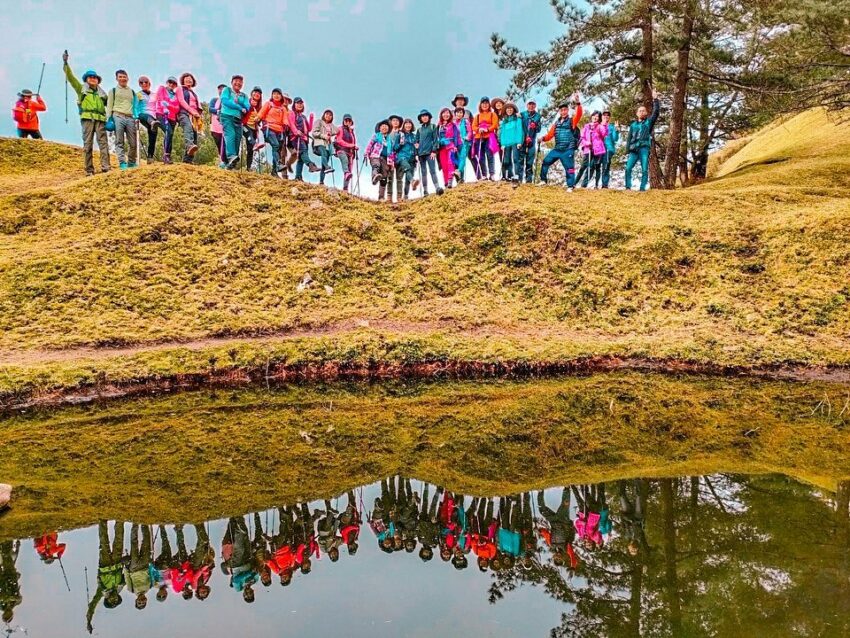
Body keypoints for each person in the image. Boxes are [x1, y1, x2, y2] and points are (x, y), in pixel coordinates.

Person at [62, 51, 110, 175]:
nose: (93, 79)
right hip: (87, 118)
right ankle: (89, 169)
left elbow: (110, 104)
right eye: (90, 77)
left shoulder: (102, 94)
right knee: (88, 144)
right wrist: (66, 63)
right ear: (86, 80)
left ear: (98, 80)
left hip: (100, 119)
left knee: (103, 143)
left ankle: (106, 167)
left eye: (95, 77)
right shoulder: (81, 90)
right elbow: (71, 78)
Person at [86, 521, 126, 634]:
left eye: (111, 601)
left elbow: (93, 604)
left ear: (107, 599)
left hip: (105, 564)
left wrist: (89, 619)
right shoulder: (120, 587)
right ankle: (120, 520)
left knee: (104, 542)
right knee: (119, 540)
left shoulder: (102, 591)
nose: (114, 599)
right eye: (116, 600)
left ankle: (102, 520)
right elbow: (127, 576)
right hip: (117, 562)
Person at [539, 93, 583, 191]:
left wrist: (578, 103)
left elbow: (579, 114)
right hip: (557, 149)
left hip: (568, 149)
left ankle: (570, 186)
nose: (563, 112)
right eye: (561, 110)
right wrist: (542, 138)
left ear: (567, 110)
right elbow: (550, 135)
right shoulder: (556, 123)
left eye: (565, 110)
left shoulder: (572, 121)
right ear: (559, 111)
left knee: (569, 168)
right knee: (545, 162)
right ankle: (543, 180)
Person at [625, 88, 660, 191]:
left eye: (643, 111)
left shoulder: (648, 122)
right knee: (628, 168)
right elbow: (629, 138)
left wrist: (655, 100)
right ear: (637, 113)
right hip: (633, 149)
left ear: (646, 113)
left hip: (644, 148)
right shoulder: (633, 125)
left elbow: (656, 112)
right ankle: (628, 187)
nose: (642, 112)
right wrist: (627, 150)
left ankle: (642, 188)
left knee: (644, 169)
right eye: (640, 111)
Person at [106, 69, 139, 170]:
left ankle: (132, 162)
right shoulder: (113, 91)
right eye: (120, 77)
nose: (122, 78)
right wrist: (109, 119)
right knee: (119, 141)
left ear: (127, 78)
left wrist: (136, 116)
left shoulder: (132, 92)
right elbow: (109, 105)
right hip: (117, 116)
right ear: (117, 78)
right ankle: (122, 162)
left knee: (133, 142)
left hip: (130, 117)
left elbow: (135, 106)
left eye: (124, 77)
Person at [257, 88, 290, 177]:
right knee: (275, 145)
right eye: (274, 93)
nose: (276, 95)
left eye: (278, 94)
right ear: (272, 95)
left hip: (280, 131)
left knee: (278, 150)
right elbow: (262, 112)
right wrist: (257, 118)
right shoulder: (268, 104)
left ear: (281, 96)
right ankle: (279, 165)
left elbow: (285, 118)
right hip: (269, 128)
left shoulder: (283, 108)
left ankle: (274, 172)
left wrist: (286, 123)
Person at [219, 75, 250, 170]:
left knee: (237, 138)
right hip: (226, 116)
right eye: (236, 81)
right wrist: (239, 107)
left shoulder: (244, 95)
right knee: (230, 135)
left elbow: (247, 106)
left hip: (238, 119)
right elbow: (225, 101)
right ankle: (231, 156)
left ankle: (231, 163)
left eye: (240, 82)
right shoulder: (227, 90)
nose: (238, 83)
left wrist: (239, 103)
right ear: (232, 82)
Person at [288, 97, 320, 180]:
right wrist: (296, 132)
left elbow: (309, 129)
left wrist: (311, 118)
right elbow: (291, 123)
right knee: (303, 152)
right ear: (294, 105)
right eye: (298, 103)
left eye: (301, 103)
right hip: (296, 137)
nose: (300, 105)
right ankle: (311, 165)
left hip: (304, 138)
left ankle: (298, 176)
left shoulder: (303, 117)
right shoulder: (292, 113)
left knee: (301, 158)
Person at [123, 524, 153, 610]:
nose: (142, 601)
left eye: (139, 603)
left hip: (134, 567)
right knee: (146, 542)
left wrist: (126, 567)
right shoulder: (149, 587)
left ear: (136, 600)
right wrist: (150, 564)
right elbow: (150, 574)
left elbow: (127, 577)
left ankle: (135, 524)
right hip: (145, 565)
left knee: (134, 544)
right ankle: (144, 523)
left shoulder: (131, 590)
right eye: (143, 603)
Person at [577, 111, 608, 188]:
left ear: (599, 118)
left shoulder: (600, 126)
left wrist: (604, 125)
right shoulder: (586, 126)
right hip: (587, 150)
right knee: (583, 166)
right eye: (594, 115)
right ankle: (574, 182)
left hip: (597, 150)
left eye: (597, 116)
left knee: (594, 167)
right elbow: (582, 138)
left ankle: (590, 185)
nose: (595, 117)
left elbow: (604, 134)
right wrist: (586, 143)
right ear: (591, 116)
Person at [176, 72, 202, 164]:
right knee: (188, 129)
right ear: (183, 80)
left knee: (194, 136)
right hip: (184, 113)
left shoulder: (193, 93)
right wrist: (191, 111)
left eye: (190, 78)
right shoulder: (180, 89)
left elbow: (197, 105)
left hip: (194, 116)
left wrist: (198, 114)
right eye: (186, 78)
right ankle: (189, 146)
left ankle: (187, 160)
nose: (188, 79)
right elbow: (181, 101)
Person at [415, 109, 442, 196]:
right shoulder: (419, 130)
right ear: (421, 118)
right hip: (421, 154)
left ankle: (437, 187)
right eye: (423, 116)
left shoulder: (433, 127)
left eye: (426, 116)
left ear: (429, 117)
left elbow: (435, 140)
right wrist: (416, 151)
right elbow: (416, 141)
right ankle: (425, 191)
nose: (425, 117)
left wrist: (434, 151)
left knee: (432, 170)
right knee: (423, 172)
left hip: (430, 153)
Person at [155, 77, 180, 164]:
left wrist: (168, 105)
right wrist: (165, 107)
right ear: (167, 82)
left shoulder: (176, 95)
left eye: (174, 83)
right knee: (168, 131)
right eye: (170, 82)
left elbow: (177, 108)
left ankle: (168, 155)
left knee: (170, 134)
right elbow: (160, 99)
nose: (171, 84)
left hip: (172, 118)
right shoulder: (162, 88)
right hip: (162, 114)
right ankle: (165, 156)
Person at [472, 97, 498, 180]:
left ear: (489, 104)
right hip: (479, 137)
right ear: (480, 105)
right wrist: (479, 129)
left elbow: (495, 124)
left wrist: (487, 129)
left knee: (490, 155)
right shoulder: (478, 116)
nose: (485, 105)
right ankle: (484, 174)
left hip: (489, 137)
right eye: (483, 103)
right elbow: (473, 126)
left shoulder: (492, 114)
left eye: (486, 103)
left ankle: (492, 174)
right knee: (481, 156)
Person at [366, 119, 392, 201]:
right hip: (375, 156)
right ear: (379, 128)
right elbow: (370, 144)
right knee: (376, 165)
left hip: (385, 159)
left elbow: (391, 152)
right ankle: (374, 177)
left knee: (384, 176)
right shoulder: (376, 136)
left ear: (388, 129)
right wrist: (366, 153)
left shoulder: (389, 140)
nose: (384, 127)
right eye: (382, 126)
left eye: (386, 126)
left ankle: (381, 197)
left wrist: (391, 163)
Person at [135, 76, 160, 163]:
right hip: (142, 115)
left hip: (153, 116)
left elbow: (158, 105)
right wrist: (135, 116)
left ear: (149, 84)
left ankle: (150, 157)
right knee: (146, 117)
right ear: (139, 84)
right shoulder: (138, 94)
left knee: (153, 136)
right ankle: (152, 122)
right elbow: (135, 106)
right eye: (141, 82)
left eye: (146, 82)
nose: (144, 84)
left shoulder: (155, 95)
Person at [311, 109, 338, 185]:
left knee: (325, 160)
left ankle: (321, 181)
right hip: (319, 143)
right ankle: (327, 167)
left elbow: (337, 130)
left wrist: (330, 133)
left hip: (328, 145)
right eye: (327, 114)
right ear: (324, 114)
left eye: (330, 115)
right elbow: (314, 133)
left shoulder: (331, 125)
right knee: (323, 153)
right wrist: (324, 136)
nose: (328, 116)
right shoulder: (319, 122)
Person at [394, 118, 419, 200]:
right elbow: (395, 148)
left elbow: (416, 148)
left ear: (411, 125)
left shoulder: (414, 136)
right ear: (403, 125)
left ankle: (405, 196)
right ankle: (413, 181)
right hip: (402, 157)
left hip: (412, 158)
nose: (408, 125)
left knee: (408, 178)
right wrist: (401, 144)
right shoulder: (399, 135)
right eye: (406, 124)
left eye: (409, 124)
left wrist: (417, 150)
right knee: (407, 169)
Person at [498, 101, 524, 183]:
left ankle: (517, 176)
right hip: (506, 143)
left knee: (516, 159)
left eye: (510, 108)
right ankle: (509, 175)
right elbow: (502, 134)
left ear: (513, 110)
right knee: (507, 160)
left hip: (515, 142)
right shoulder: (504, 121)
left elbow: (520, 130)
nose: (509, 110)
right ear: (505, 110)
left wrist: (519, 141)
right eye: (507, 109)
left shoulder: (517, 119)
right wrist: (502, 144)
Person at [437, 107, 462, 189]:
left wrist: (456, 146)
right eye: (444, 113)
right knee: (444, 166)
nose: (446, 114)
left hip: (451, 147)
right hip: (442, 148)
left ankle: (450, 181)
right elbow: (436, 138)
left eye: (447, 113)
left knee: (450, 162)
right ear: (441, 115)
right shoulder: (438, 126)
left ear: (450, 115)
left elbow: (457, 137)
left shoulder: (453, 125)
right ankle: (446, 183)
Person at [519, 99, 542, 183]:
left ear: (535, 106)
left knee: (530, 161)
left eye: (533, 104)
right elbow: (518, 126)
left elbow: (539, 129)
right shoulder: (522, 115)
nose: (531, 106)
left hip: (531, 142)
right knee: (520, 160)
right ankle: (519, 179)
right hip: (522, 141)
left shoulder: (538, 116)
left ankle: (529, 180)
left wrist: (535, 126)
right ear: (527, 105)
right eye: (529, 104)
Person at [334, 114, 358, 192]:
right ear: (343, 121)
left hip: (350, 153)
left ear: (351, 122)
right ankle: (346, 172)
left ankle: (345, 189)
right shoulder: (340, 129)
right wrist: (351, 145)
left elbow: (353, 143)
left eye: (349, 120)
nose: (347, 122)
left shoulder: (352, 132)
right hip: (341, 150)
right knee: (345, 162)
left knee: (349, 171)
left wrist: (354, 147)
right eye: (346, 120)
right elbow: (339, 140)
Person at [0, 540, 21, 626]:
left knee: (4, 556)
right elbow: (19, 598)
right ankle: (7, 541)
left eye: (5, 615)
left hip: (1, 578)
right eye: (8, 615)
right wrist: (10, 598)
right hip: (10, 575)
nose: (7, 613)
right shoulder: (15, 602)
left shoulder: (1, 605)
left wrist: (5, 597)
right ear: (12, 614)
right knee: (7, 557)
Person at [243, 87, 263, 171]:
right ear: (252, 94)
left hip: (254, 129)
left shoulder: (259, 108)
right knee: (249, 136)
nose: (257, 94)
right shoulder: (246, 103)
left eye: (259, 94)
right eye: (255, 92)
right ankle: (255, 144)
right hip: (245, 125)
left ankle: (248, 167)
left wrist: (259, 121)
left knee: (250, 149)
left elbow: (260, 119)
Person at [453, 106, 474, 183]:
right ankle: (460, 179)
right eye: (457, 112)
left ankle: (458, 171)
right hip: (457, 144)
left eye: (461, 112)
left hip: (465, 143)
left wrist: (466, 137)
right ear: (455, 114)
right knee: (459, 160)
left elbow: (470, 131)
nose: (459, 114)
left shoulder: (466, 121)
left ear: (463, 114)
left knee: (462, 157)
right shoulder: (454, 123)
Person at [386, 114, 404, 202]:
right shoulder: (387, 134)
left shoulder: (401, 133)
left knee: (399, 178)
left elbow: (402, 144)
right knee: (390, 178)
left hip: (399, 157)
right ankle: (389, 197)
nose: (395, 122)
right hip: (390, 157)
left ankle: (399, 197)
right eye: (393, 120)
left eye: (397, 121)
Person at [208, 84, 226, 166]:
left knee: (225, 145)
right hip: (215, 127)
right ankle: (221, 160)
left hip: (225, 126)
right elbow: (210, 109)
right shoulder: (214, 100)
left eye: (223, 89)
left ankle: (224, 161)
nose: (221, 90)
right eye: (219, 89)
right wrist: (219, 111)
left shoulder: (228, 101)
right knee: (219, 144)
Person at [601, 111, 619, 188]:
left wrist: (617, 129)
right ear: (602, 117)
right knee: (594, 166)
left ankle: (604, 185)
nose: (606, 116)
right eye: (604, 115)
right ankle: (590, 184)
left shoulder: (612, 127)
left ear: (609, 117)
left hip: (608, 149)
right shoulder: (598, 125)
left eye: (608, 115)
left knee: (606, 166)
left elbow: (615, 139)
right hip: (597, 149)